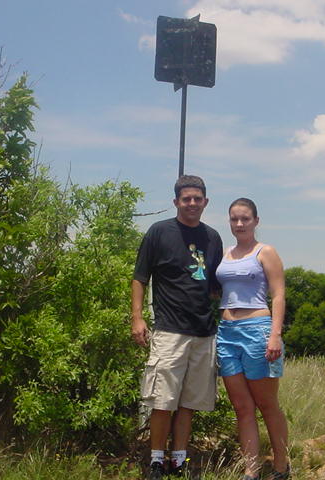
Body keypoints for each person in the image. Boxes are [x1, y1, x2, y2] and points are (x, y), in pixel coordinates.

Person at [131, 175, 223, 480]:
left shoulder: (213, 238)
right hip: (170, 330)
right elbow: (140, 277)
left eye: (198, 198)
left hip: (203, 332)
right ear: (176, 202)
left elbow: (214, 286)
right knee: (163, 400)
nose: (193, 203)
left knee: (189, 403)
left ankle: (179, 460)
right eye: (187, 199)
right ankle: (157, 459)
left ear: (206, 202)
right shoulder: (159, 232)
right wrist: (137, 317)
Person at [216, 198, 290, 480]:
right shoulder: (224, 254)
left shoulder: (265, 251)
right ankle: (251, 470)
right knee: (242, 407)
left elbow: (279, 294)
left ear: (256, 221)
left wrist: (275, 335)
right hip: (226, 332)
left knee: (266, 403)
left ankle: (282, 465)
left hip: (257, 329)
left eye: (245, 218)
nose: (239, 224)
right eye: (234, 219)